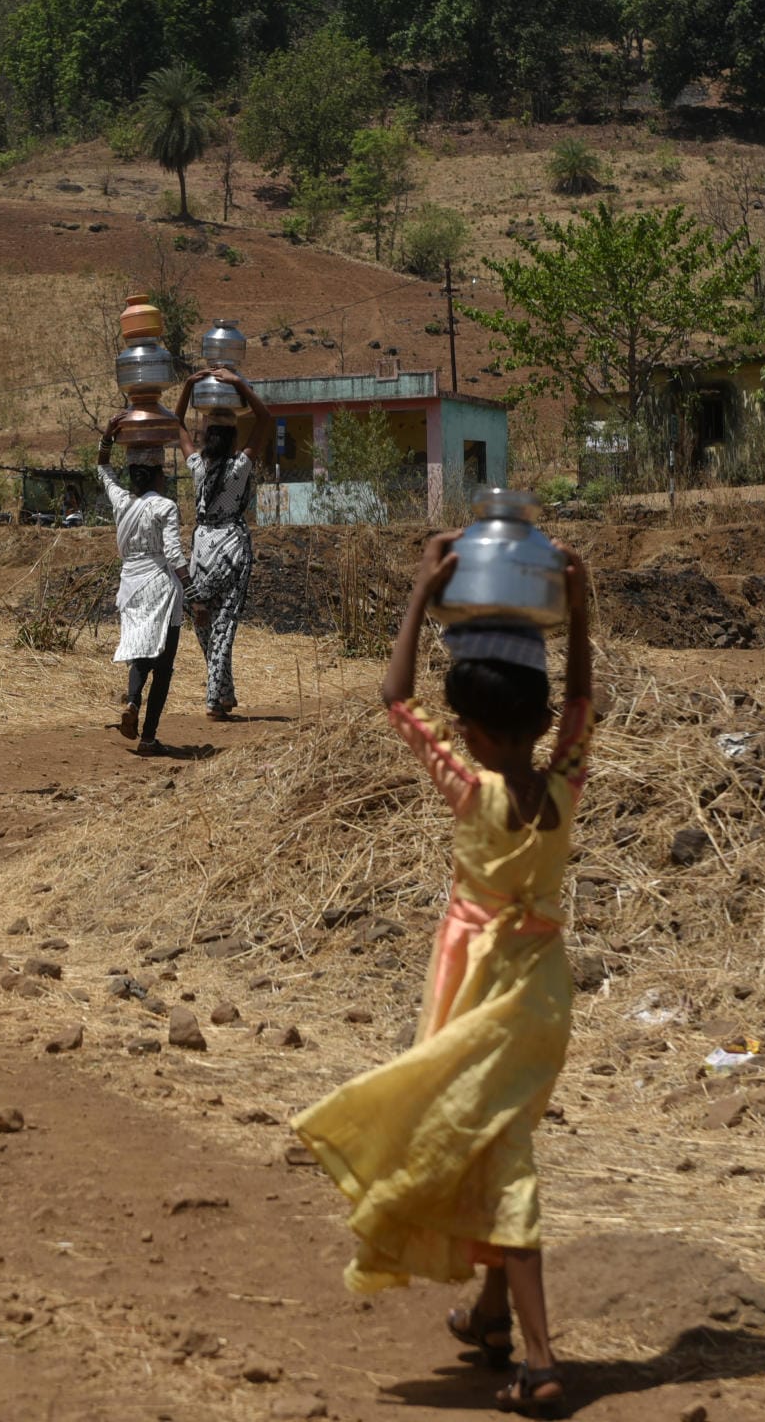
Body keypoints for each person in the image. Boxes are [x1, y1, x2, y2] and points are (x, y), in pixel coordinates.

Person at [292, 532, 593, 1420]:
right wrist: (579, 608)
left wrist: (423, 592)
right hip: (541, 997)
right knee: (490, 1135)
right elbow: (581, 697)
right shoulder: (565, 781)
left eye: (460, 721)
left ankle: (540, 1362)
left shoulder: (470, 790)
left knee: (499, 1160)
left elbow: (394, 700)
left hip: (475, 993)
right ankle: (493, 1319)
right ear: (539, 725)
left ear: (472, 729)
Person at [175, 368, 274, 720]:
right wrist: (238, 385)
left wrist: (188, 386)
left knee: (204, 621)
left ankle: (223, 694)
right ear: (232, 438)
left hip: (202, 548)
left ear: (206, 437)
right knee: (225, 622)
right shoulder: (240, 467)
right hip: (232, 545)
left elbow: (178, 424)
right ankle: (216, 701)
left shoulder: (197, 467)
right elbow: (264, 418)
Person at [96, 420, 189, 755]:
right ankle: (149, 738)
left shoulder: (122, 503)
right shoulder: (164, 506)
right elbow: (175, 554)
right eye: (163, 472)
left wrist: (107, 437)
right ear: (155, 475)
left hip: (131, 587)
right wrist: (193, 592)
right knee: (163, 667)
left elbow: (103, 469)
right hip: (160, 587)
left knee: (139, 652)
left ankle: (132, 702)